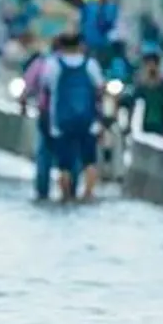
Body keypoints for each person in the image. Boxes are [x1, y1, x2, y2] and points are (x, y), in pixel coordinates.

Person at [38, 32, 104, 201]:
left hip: (61, 122)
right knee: (89, 160)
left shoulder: (53, 64)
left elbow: (45, 88)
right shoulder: (90, 64)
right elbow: (100, 89)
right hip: (88, 121)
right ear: (80, 45)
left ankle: (66, 195)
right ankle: (88, 194)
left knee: (64, 163)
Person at [22, 34, 64, 201]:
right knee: (70, 155)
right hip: (71, 119)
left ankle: (42, 190)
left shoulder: (42, 63)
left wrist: (23, 106)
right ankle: (70, 191)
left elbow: (27, 88)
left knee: (44, 153)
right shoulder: (84, 63)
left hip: (46, 115)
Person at [128, 50, 163, 139]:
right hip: (144, 127)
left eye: (154, 64)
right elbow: (134, 106)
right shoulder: (141, 86)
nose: (151, 67)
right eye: (148, 64)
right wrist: (130, 125)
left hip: (161, 127)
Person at [81, 0, 119, 67]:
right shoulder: (89, 6)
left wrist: (101, 9)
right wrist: (82, 41)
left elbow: (109, 25)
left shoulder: (112, 8)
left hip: (104, 45)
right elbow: (83, 24)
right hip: (89, 44)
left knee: (103, 69)